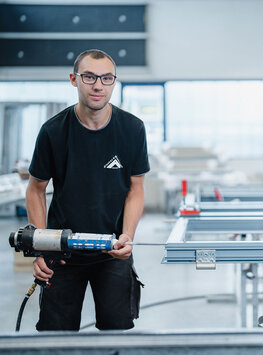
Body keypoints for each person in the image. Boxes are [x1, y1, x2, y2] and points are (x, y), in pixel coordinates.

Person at [26, 49, 149, 331]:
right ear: (74, 79)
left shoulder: (132, 129)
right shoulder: (53, 131)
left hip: (113, 250)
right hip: (62, 251)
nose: (98, 85)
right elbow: (35, 189)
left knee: (116, 331)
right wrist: (40, 246)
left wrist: (127, 236)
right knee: (56, 336)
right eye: (90, 77)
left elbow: (136, 189)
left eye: (106, 78)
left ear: (114, 82)